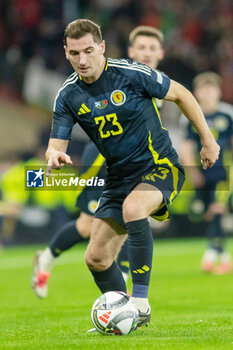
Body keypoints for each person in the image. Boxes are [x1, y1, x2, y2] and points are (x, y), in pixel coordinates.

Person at [42, 19, 219, 327]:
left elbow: (183, 95)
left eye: (88, 51)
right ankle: (125, 316)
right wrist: (54, 154)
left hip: (160, 166)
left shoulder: (132, 73)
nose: (81, 60)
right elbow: (55, 144)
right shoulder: (67, 95)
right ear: (66, 52)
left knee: (134, 208)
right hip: (117, 179)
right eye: (73, 54)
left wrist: (208, 139)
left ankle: (140, 303)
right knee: (95, 258)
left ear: (102, 47)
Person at [32, 25, 166, 298]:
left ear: (160, 53)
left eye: (152, 48)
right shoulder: (111, 73)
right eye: (141, 47)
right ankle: (46, 257)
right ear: (131, 51)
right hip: (104, 160)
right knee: (87, 223)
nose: (147, 53)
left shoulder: (154, 79)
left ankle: (125, 291)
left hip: (137, 163)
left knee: (132, 216)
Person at [181, 72, 233, 274]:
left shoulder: (227, 114)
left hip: (224, 175)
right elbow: (186, 148)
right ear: (197, 93)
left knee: (217, 210)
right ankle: (223, 255)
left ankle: (212, 255)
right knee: (205, 214)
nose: (208, 94)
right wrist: (193, 172)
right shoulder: (191, 117)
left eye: (212, 89)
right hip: (203, 175)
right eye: (204, 90)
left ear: (219, 92)